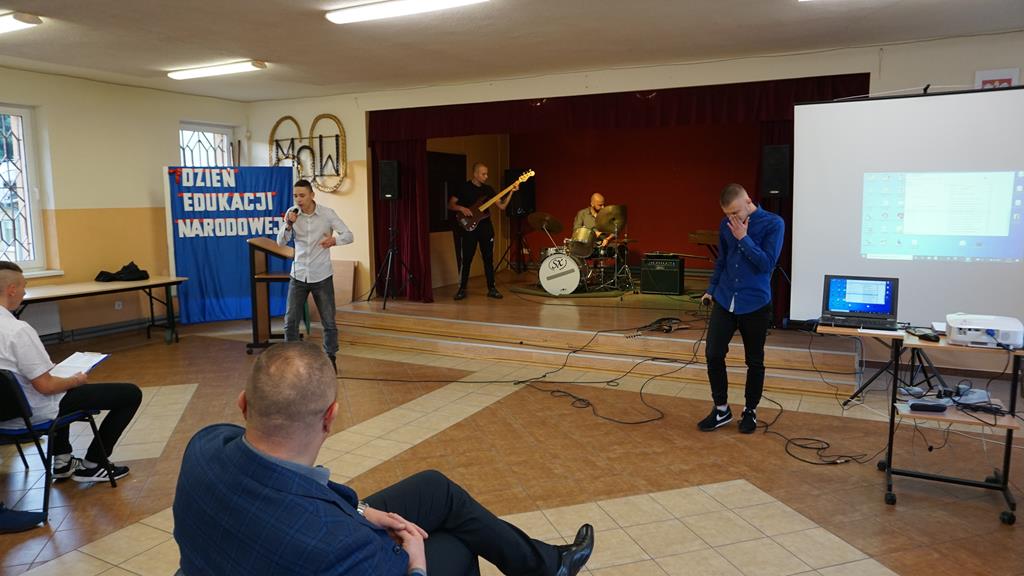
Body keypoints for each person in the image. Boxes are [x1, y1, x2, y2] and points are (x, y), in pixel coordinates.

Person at [173, 342, 594, 576]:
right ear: (330, 418)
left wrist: (361, 510)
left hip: (257, 543)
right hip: (305, 543)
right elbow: (336, 540)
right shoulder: (341, 549)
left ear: (243, 404)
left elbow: (283, 477)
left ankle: (548, 567)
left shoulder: (203, 448)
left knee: (434, 489)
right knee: (452, 546)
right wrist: (416, 563)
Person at [0, 261, 141, 481]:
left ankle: (62, 461)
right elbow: (46, 386)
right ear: (11, 289)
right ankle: (94, 464)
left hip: (4, 415)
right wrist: (76, 380)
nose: (24, 292)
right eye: (23, 286)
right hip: (30, 413)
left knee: (60, 385)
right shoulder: (17, 331)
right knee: (130, 394)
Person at [698, 184, 784, 434]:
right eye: (727, 214)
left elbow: (766, 264)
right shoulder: (726, 224)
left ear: (748, 202)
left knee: (754, 361)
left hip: (755, 303)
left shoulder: (773, 223)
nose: (731, 218)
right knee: (713, 353)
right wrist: (711, 289)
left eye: (735, 212)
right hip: (725, 299)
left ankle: (750, 411)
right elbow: (722, 261)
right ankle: (721, 409)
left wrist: (743, 238)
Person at [277, 179, 354, 371]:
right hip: (298, 275)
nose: (298, 199)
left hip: (322, 275)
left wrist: (334, 241)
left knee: (329, 322)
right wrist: (288, 225)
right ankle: (292, 361)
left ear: (312, 195)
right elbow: (280, 242)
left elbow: (349, 235)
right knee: (290, 322)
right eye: (295, 196)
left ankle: (330, 358)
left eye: (302, 195)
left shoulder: (327, 214)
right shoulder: (292, 214)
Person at [448, 163, 515, 301]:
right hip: (469, 229)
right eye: (483, 174)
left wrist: (511, 192)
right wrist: (461, 208)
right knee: (467, 259)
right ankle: (462, 289)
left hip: (485, 228)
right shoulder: (464, 187)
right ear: (475, 174)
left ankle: (492, 288)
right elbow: (451, 204)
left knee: (488, 259)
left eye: (487, 173)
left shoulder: (488, 189)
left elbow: (502, 206)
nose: (486, 176)